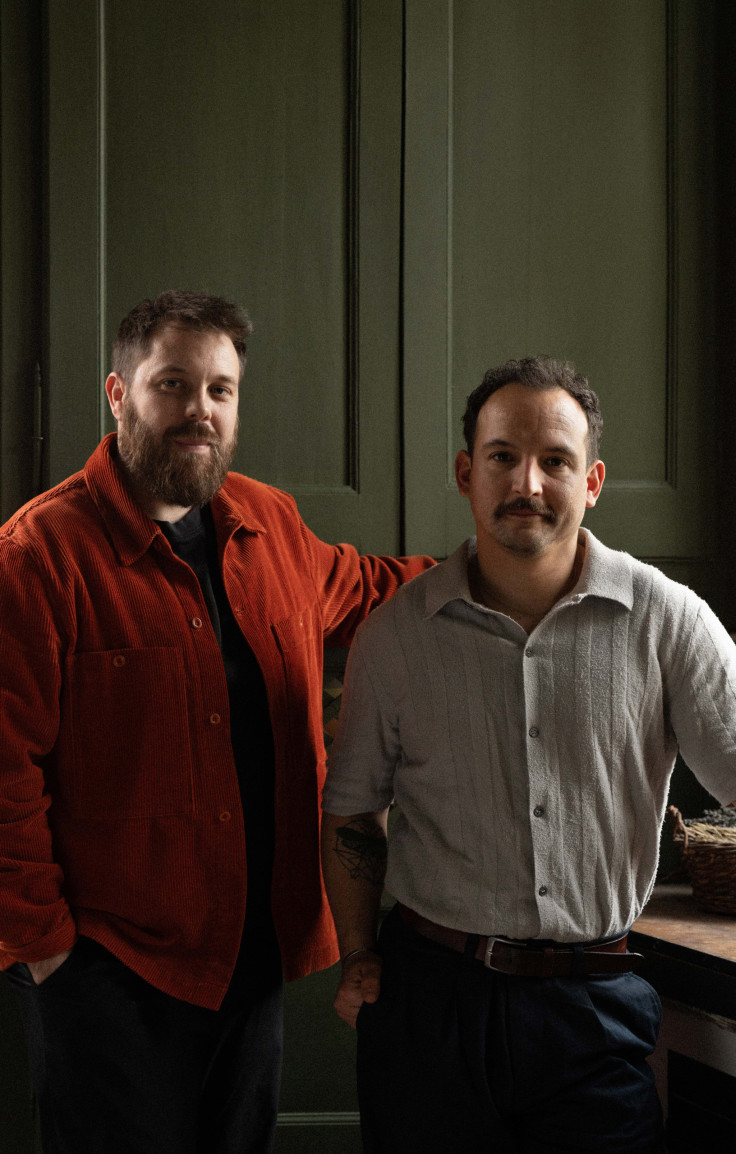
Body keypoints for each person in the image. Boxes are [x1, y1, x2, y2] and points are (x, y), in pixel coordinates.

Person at [0, 290, 432, 1154]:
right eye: (173, 385)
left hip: (253, 966)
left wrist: (512, 563)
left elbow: (382, 592)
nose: (199, 410)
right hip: (109, 973)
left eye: (220, 390)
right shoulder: (36, 556)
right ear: (120, 394)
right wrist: (48, 953)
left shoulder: (270, 523)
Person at [321, 356, 736, 1154]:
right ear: (465, 471)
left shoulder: (667, 619)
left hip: (597, 1006)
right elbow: (353, 809)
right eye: (504, 456)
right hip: (429, 1005)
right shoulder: (397, 634)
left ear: (592, 482)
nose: (529, 482)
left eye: (556, 461)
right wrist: (358, 955)